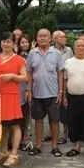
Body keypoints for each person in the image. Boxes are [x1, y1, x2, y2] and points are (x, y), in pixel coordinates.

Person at [0, 32, 28, 167]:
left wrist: (13, 76)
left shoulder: (19, 59)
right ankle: (4, 152)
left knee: (15, 126)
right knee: (2, 126)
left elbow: (25, 77)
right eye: (4, 41)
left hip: (11, 96)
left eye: (9, 41)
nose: (6, 44)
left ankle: (14, 154)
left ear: (13, 44)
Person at [26, 29, 65, 157]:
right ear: (36, 38)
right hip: (36, 93)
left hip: (53, 93)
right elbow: (29, 73)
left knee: (54, 121)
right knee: (38, 120)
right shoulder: (32, 53)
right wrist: (29, 90)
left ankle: (55, 146)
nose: (42, 38)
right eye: (40, 36)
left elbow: (60, 73)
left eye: (45, 36)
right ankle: (39, 145)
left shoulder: (56, 53)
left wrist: (60, 91)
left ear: (50, 39)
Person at [52, 30, 73, 145]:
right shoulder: (50, 51)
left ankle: (65, 133)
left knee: (65, 108)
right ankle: (53, 134)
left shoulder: (69, 50)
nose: (65, 38)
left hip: (66, 83)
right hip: (52, 83)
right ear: (55, 39)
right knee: (53, 109)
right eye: (62, 37)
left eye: (65, 36)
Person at [17, 34, 32, 149]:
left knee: (25, 115)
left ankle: (23, 139)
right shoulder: (15, 56)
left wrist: (28, 89)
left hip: (28, 88)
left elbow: (31, 74)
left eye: (26, 42)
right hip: (17, 88)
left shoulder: (32, 55)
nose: (24, 44)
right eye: (22, 42)